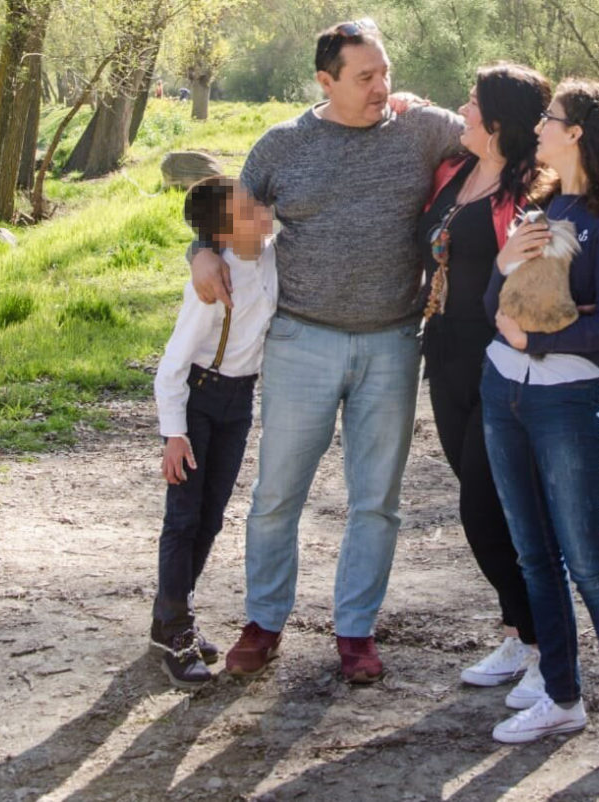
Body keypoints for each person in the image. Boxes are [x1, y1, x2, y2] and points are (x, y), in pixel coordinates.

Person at [189, 19, 462, 682]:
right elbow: (226, 221)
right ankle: (263, 622)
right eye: (365, 76)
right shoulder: (283, 145)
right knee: (278, 492)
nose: (381, 87)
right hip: (301, 341)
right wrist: (198, 252)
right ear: (325, 80)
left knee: (376, 498)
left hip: (392, 343)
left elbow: (497, 138)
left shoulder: (421, 130)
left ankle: (356, 632)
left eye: (385, 72)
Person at [480, 79, 599, 779]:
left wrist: (533, 344)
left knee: (589, 563)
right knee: (534, 557)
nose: (538, 128)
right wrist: (504, 263)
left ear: (579, 132)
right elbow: (495, 304)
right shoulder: (542, 205)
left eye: (550, 119)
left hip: (565, 403)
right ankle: (562, 697)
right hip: (500, 393)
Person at [419, 63, 549, 707]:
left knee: (487, 505)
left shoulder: (530, 189)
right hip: (442, 357)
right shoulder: (455, 174)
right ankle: (518, 634)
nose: (461, 111)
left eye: (471, 103)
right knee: (482, 498)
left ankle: (545, 645)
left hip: (498, 363)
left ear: (498, 120)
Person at [151, 176, 277, 688]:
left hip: (238, 402)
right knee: (183, 518)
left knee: (211, 518)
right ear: (223, 233)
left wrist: (198, 247)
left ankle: (170, 615)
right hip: (198, 402)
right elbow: (172, 365)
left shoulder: (270, 252)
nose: (263, 214)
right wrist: (174, 434)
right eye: (249, 211)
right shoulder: (212, 281)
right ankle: (173, 629)